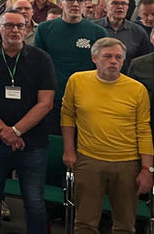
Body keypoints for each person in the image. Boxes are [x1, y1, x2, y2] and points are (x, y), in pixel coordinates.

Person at [0, 9, 56, 234]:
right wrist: (4, 131)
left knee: (34, 201)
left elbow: (46, 103)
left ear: (27, 29)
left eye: (20, 25)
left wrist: (16, 131)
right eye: (9, 25)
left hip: (33, 142)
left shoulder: (41, 59)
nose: (15, 30)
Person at [62, 38, 153, 234]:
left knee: (125, 226)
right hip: (89, 160)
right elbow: (67, 116)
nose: (113, 61)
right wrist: (69, 150)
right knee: (84, 224)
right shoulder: (77, 81)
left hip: (127, 164)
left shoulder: (137, 89)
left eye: (118, 57)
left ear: (124, 61)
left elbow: (144, 130)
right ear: (94, 58)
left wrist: (147, 169)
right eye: (107, 56)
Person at [34, 0, 108, 134]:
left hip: (86, 98)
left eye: (80, 0)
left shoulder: (98, 32)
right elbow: (38, 66)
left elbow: (102, 68)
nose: (75, 4)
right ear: (61, 3)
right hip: (54, 97)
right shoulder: (44, 29)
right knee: (54, 140)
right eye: (70, 0)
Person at [95, 0, 152, 72]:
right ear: (105, 7)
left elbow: (144, 61)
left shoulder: (138, 32)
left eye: (124, 4)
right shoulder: (94, 28)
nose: (120, 6)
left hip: (127, 77)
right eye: (115, 3)